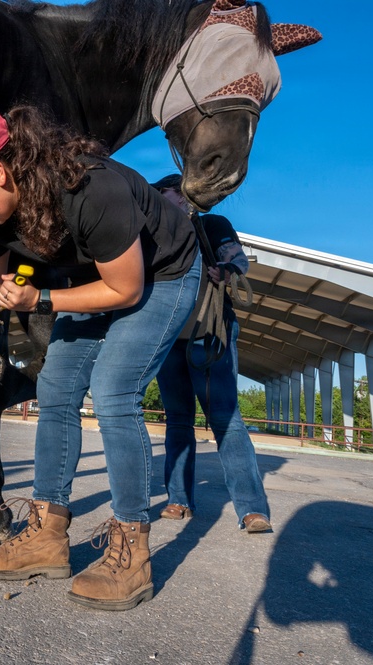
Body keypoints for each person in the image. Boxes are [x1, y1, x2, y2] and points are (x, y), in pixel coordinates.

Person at [0, 106, 201, 611]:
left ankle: (132, 549)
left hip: (162, 275)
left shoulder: (91, 189)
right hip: (100, 277)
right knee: (55, 387)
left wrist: (40, 300)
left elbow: (126, 288)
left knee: (114, 388)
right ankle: (47, 535)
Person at [151, 174, 272, 533]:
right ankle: (178, 499)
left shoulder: (210, 225)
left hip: (209, 333)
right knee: (177, 419)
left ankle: (251, 508)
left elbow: (236, 258)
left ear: (183, 197)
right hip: (170, 338)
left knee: (225, 418)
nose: (160, 204)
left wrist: (226, 270)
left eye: (165, 196)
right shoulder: (153, 235)